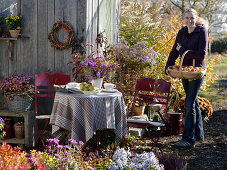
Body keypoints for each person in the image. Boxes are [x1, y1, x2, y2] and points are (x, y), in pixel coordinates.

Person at [165, 8, 208, 148]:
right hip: (184, 71)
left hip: (197, 72)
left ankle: (188, 139)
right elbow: (174, 51)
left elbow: (201, 54)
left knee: (189, 104)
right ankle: (199, 134)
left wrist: (182, 50)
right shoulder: (182, 32)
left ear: (196, 19)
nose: (190, 21)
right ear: (184, 19)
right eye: (187, 18)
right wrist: (168, 66)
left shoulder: (201, 31)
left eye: (192, 18)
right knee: (193, 102)